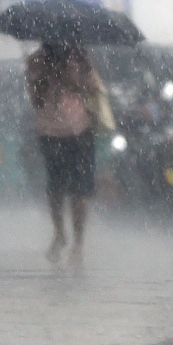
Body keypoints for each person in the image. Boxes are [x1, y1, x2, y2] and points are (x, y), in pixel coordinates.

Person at [27, 43, 112, 266]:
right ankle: (59, 234)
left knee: (80, 190)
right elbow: (35, 99)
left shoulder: (81, 57)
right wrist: (42, 76)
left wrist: (72, 79)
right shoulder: (37, 60)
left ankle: (78, 241)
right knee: (55, 188)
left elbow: (96, 89)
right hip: (50, 130)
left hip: (79, 130)